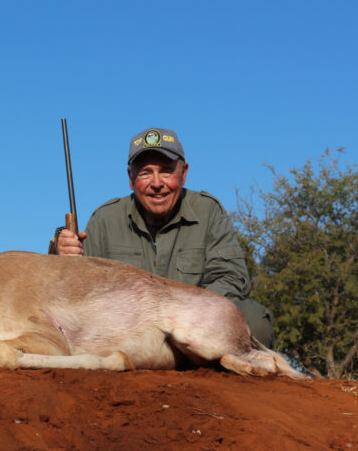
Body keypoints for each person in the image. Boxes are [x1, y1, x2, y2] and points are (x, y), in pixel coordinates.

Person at [51, 127, 274, 348]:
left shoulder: (209, 211)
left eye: (166, 171)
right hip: (128, 336)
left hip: (195, 328)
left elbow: (232, 278)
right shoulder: (104, 219)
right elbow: (77, 291)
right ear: (131, 178)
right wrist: (61, 252)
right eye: (145, 173)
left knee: (254, 320)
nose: (157, 183)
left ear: (184, 173)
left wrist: (184, 313)